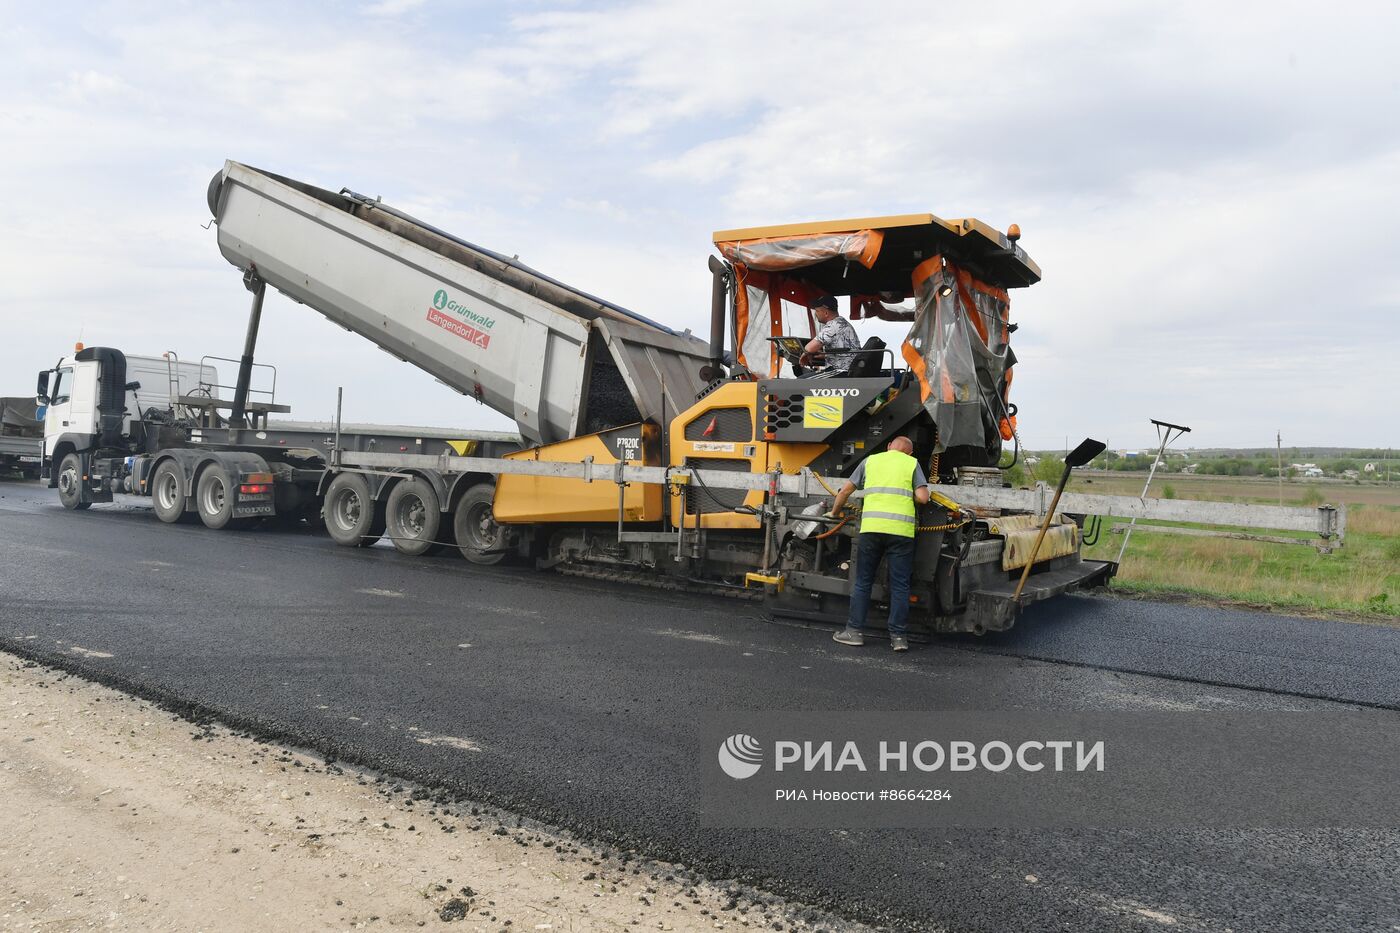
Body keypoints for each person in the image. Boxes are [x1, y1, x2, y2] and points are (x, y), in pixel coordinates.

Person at [827, 436, 931, 652]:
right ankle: (899, 638)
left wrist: (834, 513)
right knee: (900, 585)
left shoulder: (870, 461)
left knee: (863, 582)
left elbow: (845, 491)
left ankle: (854, 632)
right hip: (901, 532)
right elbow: (923, 498)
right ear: (909, 453)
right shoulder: (912, 464)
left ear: (888, 447)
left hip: (872, 530)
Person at [798, 295, 860, 374]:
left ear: (826, 313)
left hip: (841, 372)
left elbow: (809, 348)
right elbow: (844, 351)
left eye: (817, 311)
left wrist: (804, 354)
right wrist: (825, 355)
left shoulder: (833, 326)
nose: (815, 314)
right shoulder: (842, 322)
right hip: (849, 370)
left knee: (802, 380)